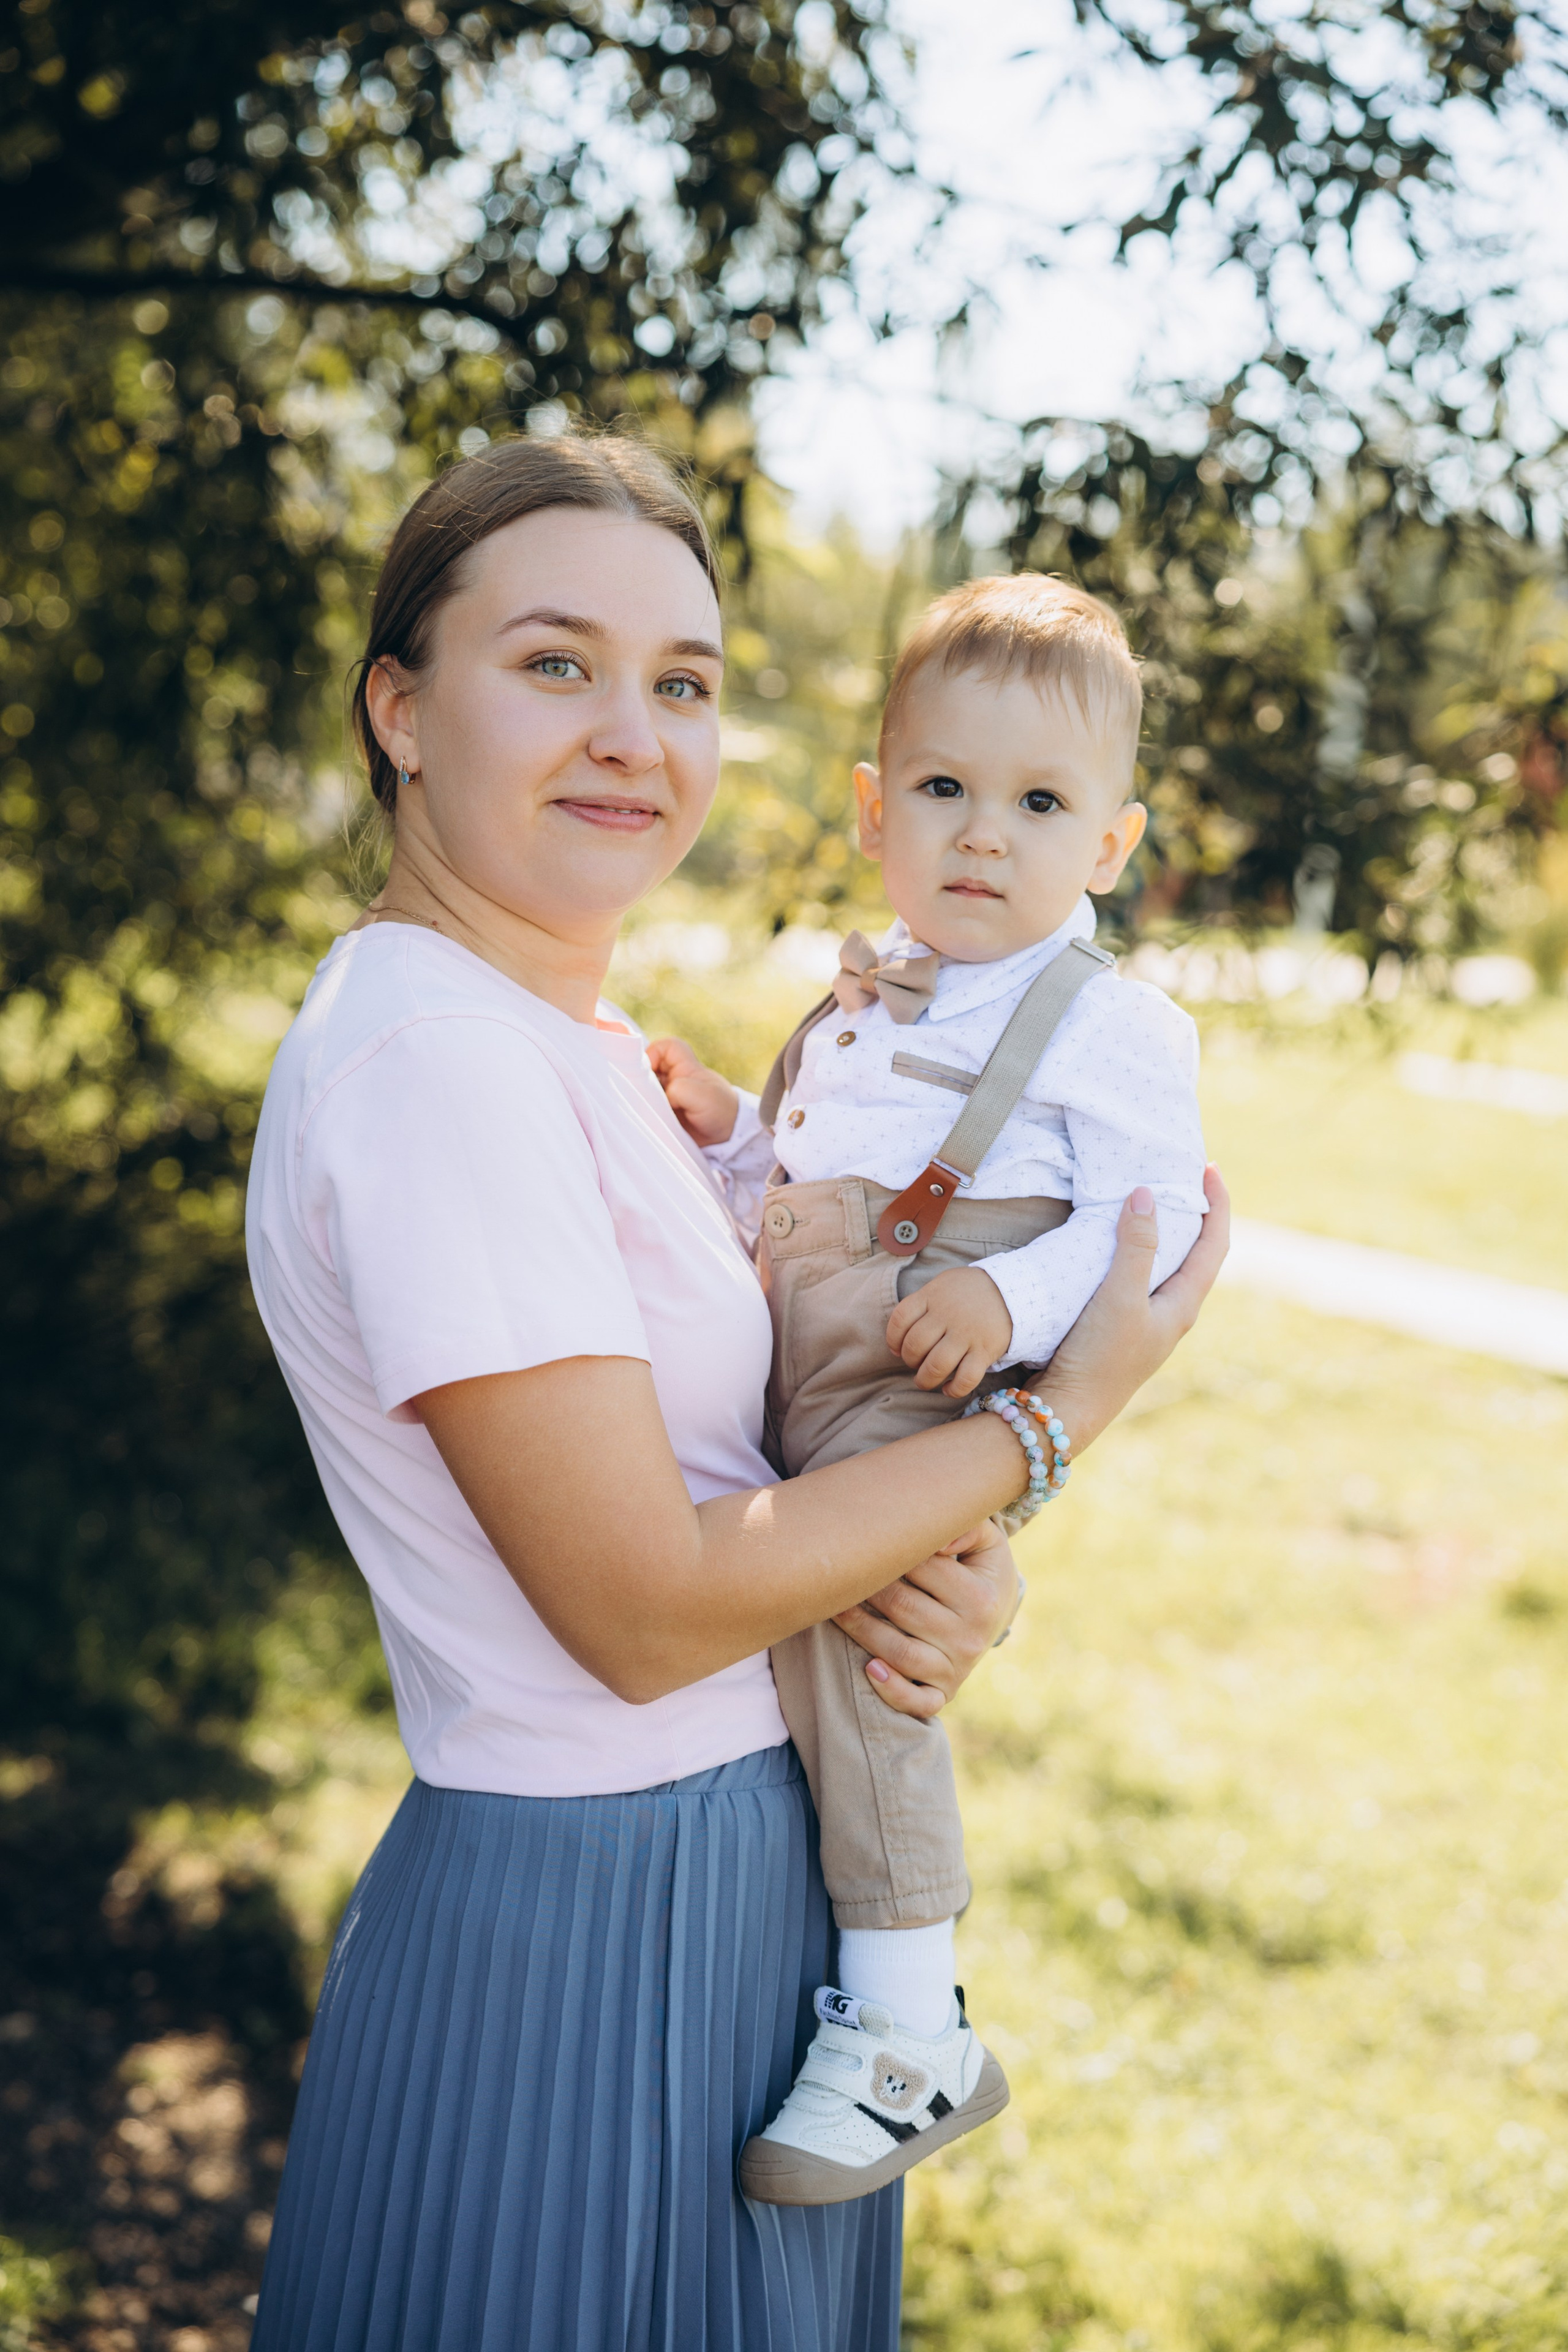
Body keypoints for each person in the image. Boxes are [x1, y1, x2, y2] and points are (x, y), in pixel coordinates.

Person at [243, 429, 1229, 2351]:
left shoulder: (578, 1042)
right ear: (400, 710)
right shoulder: (433, 1057)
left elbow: (753, 1454)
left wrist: (942, 1563)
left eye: (681, 684)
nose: (633, 732)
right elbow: (642, 1608)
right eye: (554, 664)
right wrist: (1045, 1424)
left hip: (749, 1891)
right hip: (594, 1915)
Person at [649, 575, 1207, 2206]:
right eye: (948, 792)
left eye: (1041, 804)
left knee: (869, 1645)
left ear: (1111, 844)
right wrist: (724, 1129)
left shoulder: (1110, 1022)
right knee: (782, 1616)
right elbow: (809, 1182)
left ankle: (908, 2026)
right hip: (808, 1357)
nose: (987, 836)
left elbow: (1146, 1245)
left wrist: (1004, 1294)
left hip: (927, 1373)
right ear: (875, 807)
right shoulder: (865, 991)